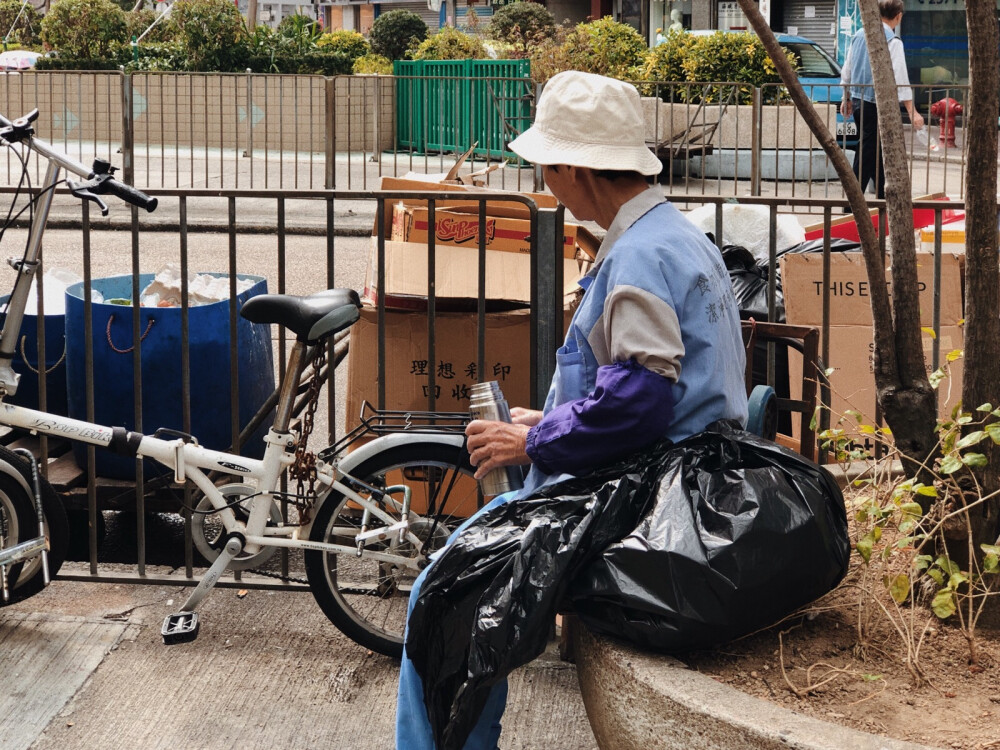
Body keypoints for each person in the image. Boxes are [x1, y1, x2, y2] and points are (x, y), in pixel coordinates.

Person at [395, 70, 749, 750]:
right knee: (458, 592)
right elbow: (644, 386)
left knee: (446, 593)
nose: (544, 183)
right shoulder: (673, 235)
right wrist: (545, 422)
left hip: (644, 490)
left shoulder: (640, 256)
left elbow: (641, 402)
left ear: (576, 168)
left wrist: (534, 442)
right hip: (678, 476)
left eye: (546, 168)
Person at [839, 0, 924, 199]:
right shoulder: (892, 41)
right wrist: (912, 111)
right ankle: (853, 201)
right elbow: (900, 77)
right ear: (899, 16)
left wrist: (847, 97)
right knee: (869, 151)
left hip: (859, 100)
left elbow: (848, 70)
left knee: (876, 150)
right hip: (876, 104)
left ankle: (883, 198)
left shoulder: (859, 35)